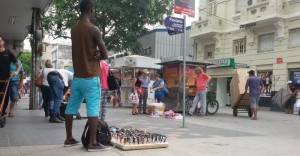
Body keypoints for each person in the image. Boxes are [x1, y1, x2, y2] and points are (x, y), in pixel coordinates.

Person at [64, 0, 109, 151]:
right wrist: (97, 55)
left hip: (77, 78)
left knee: (71, 108)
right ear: (91, 9)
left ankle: (69, 138)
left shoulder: (74, 29)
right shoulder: (93, 29)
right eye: (94, 9)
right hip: (91, 77)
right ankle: (93, 143)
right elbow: (105, 54)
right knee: (93, 109)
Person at [0, 35, 20, 117]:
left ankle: (1, 114)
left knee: (5, 99)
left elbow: (18, 65)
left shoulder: (8, 53)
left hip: (5, 81)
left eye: (0, 40)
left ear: (3, 42)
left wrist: (15, 72)